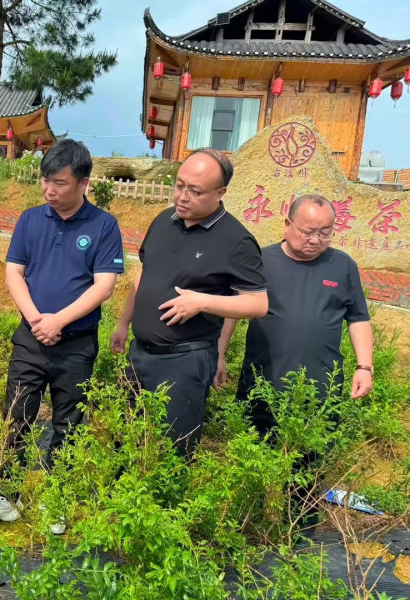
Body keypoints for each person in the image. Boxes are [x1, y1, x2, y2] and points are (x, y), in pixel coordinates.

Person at [0, 139, 125, 533]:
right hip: (30, 340)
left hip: (76, 345)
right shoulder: (30, 220)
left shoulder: (104, 226)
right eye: (45, 181)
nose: (49, 190)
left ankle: (59, 497)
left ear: (83, 183)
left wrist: (60, 322)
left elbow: (104, 286)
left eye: (59, 183)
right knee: (16, 417)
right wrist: (38, 320)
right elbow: (14, 273)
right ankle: (6, 496)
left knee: (68, 423)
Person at [109, 148, 268, 456]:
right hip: (140, 354)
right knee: (125, 439)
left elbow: (257, 303)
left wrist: (201, 302)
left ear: (221, 192)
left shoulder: (237, 241)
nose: (182, 196)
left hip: (184, 360)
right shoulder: (163, 220)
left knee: (171, 450)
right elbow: (144, 274)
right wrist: (124, 322)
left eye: (194, 191)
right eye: (179, 185)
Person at [216, 194, 373, 432]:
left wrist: (364, 368)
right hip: (261, 386)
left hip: (320, 390)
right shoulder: (261, 261)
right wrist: (219, 354)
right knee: (254, 455)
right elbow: (232, 310)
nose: (316, 240)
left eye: (325, 232)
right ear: (287, 225)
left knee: (311, 463)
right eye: (308, 231)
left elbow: (358, 318)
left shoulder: (343, 266)